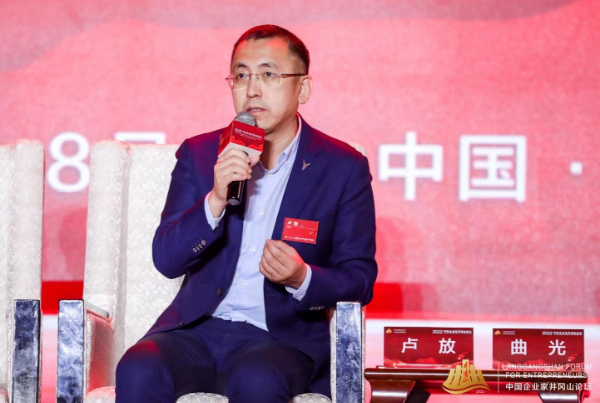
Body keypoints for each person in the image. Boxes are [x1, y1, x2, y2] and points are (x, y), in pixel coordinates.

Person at [115, 24, 377, 403]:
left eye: (268, 75)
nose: (252, 89)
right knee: (138, 367)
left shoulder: (342, 167)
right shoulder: (201, 154)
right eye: (241, 76)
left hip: (279, 339)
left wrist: (302, 277)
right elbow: (167, 260)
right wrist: (216, 199)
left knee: (257, 377)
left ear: (303, 88)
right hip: (198, 330)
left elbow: (359, 279)